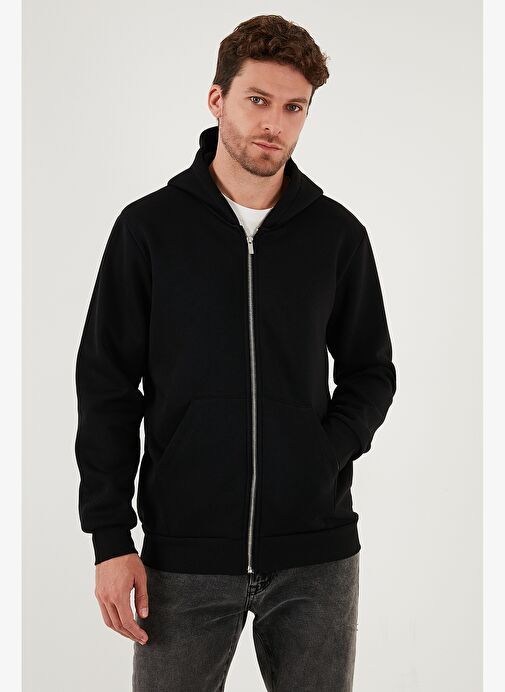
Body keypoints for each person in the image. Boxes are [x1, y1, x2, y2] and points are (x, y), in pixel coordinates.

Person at [74, 13, 396, 692]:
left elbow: (370, 372)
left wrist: (322, 452)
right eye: (257, 100)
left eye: (293, 107)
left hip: (316, 557)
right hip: (183, 557)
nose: (273, 123)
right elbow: (107, 386)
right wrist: (110, 539)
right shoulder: (148, 229)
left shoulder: (336, 236)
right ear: (217, 99)